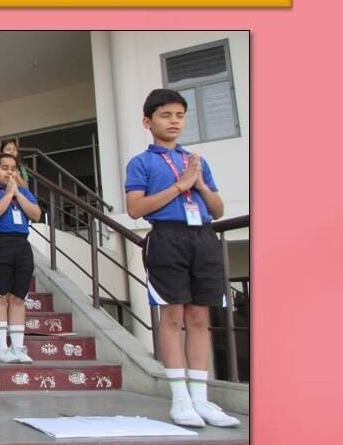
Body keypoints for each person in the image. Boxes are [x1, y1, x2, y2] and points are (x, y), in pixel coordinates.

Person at [125, 89, 239, 428]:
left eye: (179, 115)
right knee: (172, 316)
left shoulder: (196, 161)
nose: (174, 121)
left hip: (202, 237)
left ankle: (201, 399)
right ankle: (180, 399)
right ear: (148, 122)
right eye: (165, 115)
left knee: (200, 317)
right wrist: (180, 186)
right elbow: (135, 208)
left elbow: (217, 209)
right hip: (166, 237)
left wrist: (198, 183)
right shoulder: (141, 162)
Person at [0, 154, 42, 364]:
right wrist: (8, 195)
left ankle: (17, 347)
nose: (10, 172)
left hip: (22, 245)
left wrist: (18, 194)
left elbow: (36, 215)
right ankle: (2, 349)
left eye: (13, 168)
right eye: (4, 168)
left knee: (18, 298)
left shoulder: (24, 193)